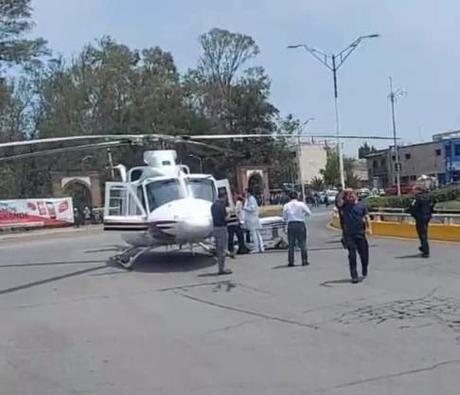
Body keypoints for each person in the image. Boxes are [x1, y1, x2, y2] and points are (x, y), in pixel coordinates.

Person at [337, 189, 371, 284]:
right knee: (352, 256)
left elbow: (366, 217)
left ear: (356, 195)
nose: (350, 196)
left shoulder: (361, 206)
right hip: (349, 235)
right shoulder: (344, 206)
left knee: (364, 255)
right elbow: (338, 201)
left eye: (352, 194)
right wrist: (344, 191)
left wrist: (369, 228)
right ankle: (354, 276)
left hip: (361, 234)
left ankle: (364, 267)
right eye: (348, 195)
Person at [283, 191, 312, 266]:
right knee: (302, 243)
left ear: (289, 197)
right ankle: (304, 260)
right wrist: (302, 214)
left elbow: (284, 217)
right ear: (297, 197)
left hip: (291, 224)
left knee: (291, 244)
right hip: (300, 224)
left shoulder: (286, 205)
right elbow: (309, 213)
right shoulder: (301, 204)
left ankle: (291, 261)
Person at [409, 186, 435, 258]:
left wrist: (413, 214)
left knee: (422, 235)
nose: (413, 192)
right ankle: (423, 248)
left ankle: (425, 251)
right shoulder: (428, 197)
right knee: (424, 233)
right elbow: (432, 206)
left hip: (420, 218)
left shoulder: (417, 198)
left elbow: (412, 208)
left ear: (418, 191)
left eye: (414, 190)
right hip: (427, 217)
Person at [211, 190, 232, 275]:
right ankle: (222, 269)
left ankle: (220, 268)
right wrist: (229, 214)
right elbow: (225, 218)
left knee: (219, 249)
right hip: (222, 228)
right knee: (223, 249)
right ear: (224, 196)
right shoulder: (222, 206)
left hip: (215, 228)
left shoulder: (213, 206)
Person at [243, 189, 265, 253]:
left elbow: (252, 208)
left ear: (249, 193)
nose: (245, 194)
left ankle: (257, 248)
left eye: (245, 193)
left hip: (253, 219)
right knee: (257, 234)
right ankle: (261, 247)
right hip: (252, 219)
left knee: (254, 234)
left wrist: (244, 208)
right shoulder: (248, 199)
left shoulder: (251, 199)